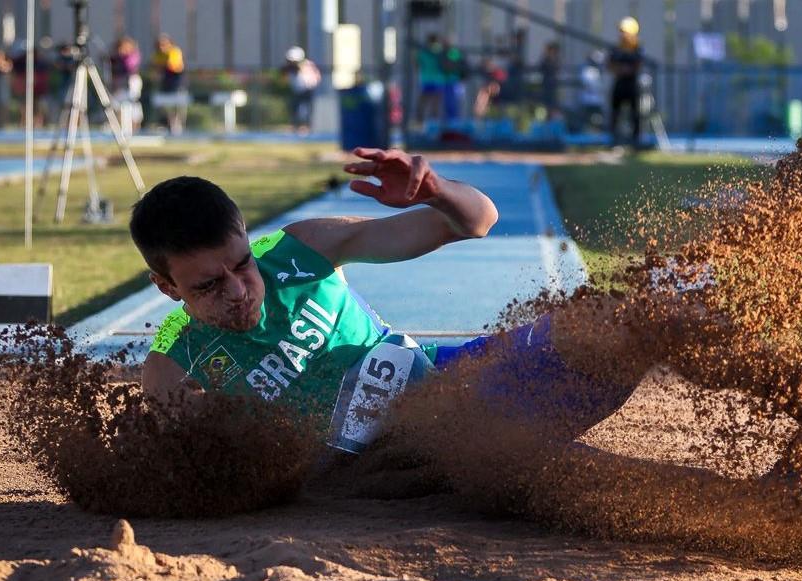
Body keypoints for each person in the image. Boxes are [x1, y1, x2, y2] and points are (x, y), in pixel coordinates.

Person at [134, 149, 680, 455]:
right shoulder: (172, 366)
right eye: (207, 286)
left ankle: (767, 386)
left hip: (459, 380)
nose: (238, 292)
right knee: (580, 480)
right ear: (167, 287)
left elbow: (479, 221)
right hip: (425, 465)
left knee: (629, 321)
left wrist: (436, 192)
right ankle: (760, 513)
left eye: (242, 264)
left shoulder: (301, 250)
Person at [608, 16, 643, 147]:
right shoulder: (616, 48)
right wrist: (619, 70)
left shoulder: (636, 48)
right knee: (615, 113)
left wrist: (627, 70)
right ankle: (614, 140)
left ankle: (635, 141)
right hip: (619, 84)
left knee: (635, 114)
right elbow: (610, 64)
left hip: (631, 85)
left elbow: (638, 64)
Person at [151, 33, 186, 134]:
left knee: (177, 104)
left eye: (163, 44)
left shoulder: (174, 51)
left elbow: (172, 65)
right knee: (165, 105)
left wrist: (161, 64)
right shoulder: (158, 54)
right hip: (165, 81)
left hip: (176, 81)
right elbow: (155, 66)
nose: (161, 47)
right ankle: (168, 124)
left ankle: (177, 125)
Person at [282, 46, 321, 134]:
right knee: (294, 108)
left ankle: (306, 127)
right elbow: (286, 78)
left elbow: (316, 77)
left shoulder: (308, 65)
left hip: (307, 90)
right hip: (296, 91)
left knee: (306, 109)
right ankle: (294, 126)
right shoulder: (290, 68)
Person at [110, 36, 143, 134]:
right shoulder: (116, 58)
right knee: (118, 105)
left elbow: (129, 68)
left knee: (131, 105)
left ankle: (135, 128)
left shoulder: (133, 56)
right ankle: (121, 128)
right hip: (119, 85)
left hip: (131, 83)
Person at [416, 34, 445, 124]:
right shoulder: (440, 51)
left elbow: (418, 64)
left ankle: (420, 121)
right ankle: (434, 122)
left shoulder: (422, 51)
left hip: (426, 80)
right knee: (435, 103)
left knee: (423, 102)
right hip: (438, 80)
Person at [577, 50, 606, 131]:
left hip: (597, 101)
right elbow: (591, 85)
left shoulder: (597, 71)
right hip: (588, 101)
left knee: (599, 121)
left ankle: (598, 134)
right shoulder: (588, 71)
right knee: (586, 121)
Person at [537, 41, 562, 120]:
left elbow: (557, 68)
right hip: (546, 84)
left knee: (553, 102)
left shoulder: (555, 59)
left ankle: (552, 117)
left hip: (552, 84)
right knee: (545, 103)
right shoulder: (545, 59)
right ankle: (545, 117)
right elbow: (541, 68)